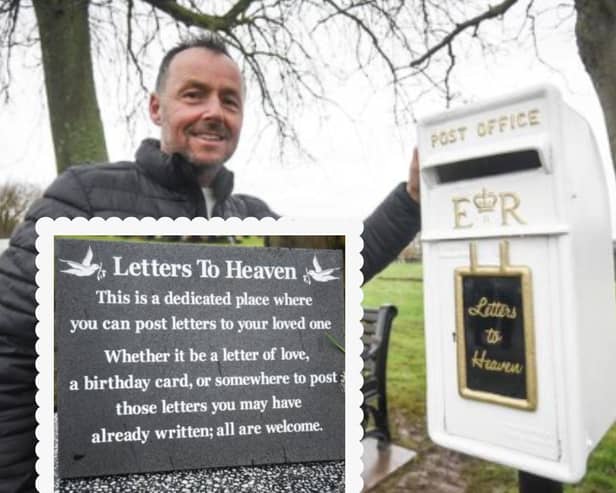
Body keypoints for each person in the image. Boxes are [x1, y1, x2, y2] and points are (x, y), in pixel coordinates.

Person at [0, 34, 420, 492]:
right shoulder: (84, 197)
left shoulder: (254, 218)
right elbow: (12, 352)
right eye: (194, 94)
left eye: (230, 101)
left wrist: (412, 199)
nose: (214, 112)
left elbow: (336, 269)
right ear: (157, 108)